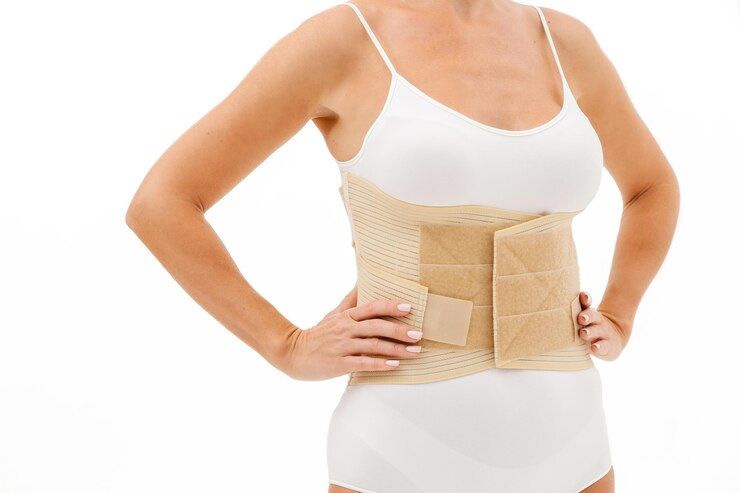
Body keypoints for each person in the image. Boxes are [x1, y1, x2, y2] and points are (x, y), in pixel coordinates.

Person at [125, 1, 680, 491]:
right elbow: (163, 203)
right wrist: (287, 345)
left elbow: (651, 187)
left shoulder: (564, 40)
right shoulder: (344, 37)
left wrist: (620, 313)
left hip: (573, 442)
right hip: (404, 446)